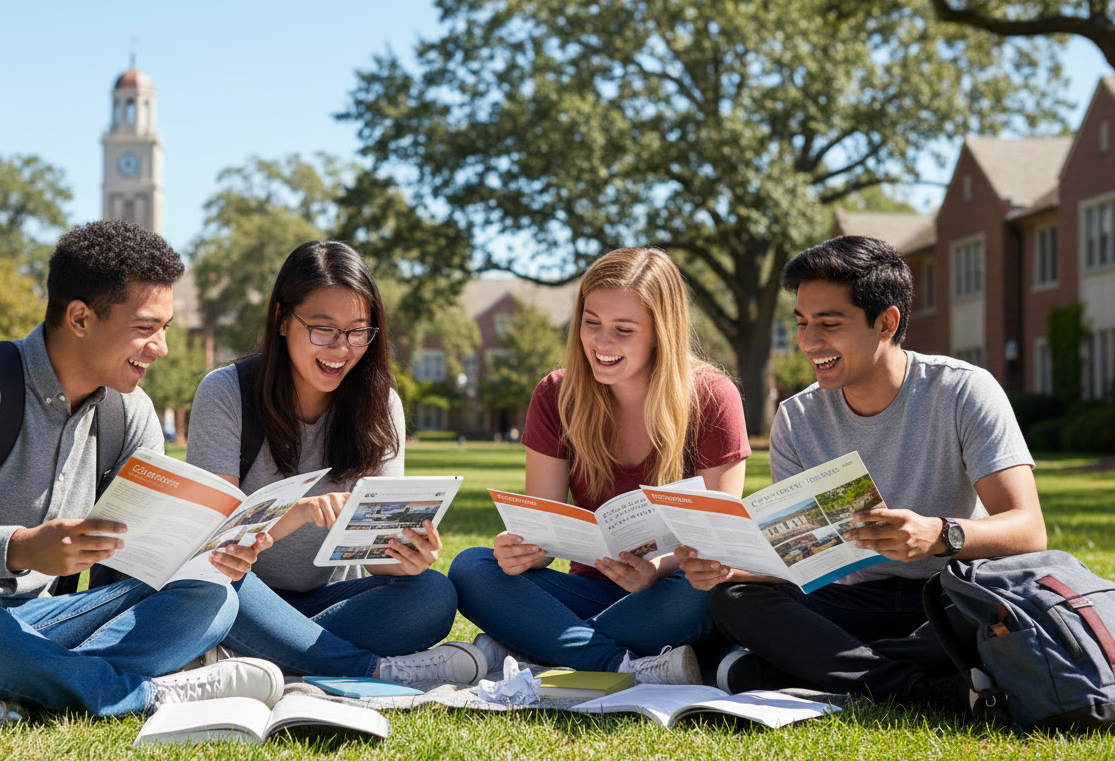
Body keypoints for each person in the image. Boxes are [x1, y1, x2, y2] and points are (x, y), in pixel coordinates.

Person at [0, 220, 283, 740]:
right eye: (144, 327)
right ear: (80, 318)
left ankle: (7, 695)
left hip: (36, 625)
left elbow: (143, 559)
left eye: (166, 328)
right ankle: (138, 692)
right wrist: (20, 549)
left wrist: (211, 552)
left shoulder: (130, 412)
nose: (159, 347)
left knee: (212, 596)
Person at [679, 235, 1046, 707]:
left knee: (997, 613)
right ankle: (928, 690)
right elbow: (800, 557)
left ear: (886, 323)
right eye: (802, 323)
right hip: (848, 602)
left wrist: (939, 535)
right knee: (735, 601)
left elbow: (1029, 528)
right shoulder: (796, 418)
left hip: (947, 597)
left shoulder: (963, 392)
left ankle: (820, 671)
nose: (810, 342)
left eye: (829, 324)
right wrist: (731, 567)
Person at [187, 241, 486, 686]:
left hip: (329, 602)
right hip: (241, 593)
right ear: (282, 320)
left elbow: (375, 562)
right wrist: (301, 513)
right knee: (207, 591)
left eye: (358, 331)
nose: (341, 349)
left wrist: (405, 557)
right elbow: (216, 547)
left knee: (432, 594)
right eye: (323, 329)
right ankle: (373, 671)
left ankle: (265, 655)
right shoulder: (226, 392)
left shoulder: (381, 406)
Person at [448, 246, 752, 683]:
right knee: (472, 569)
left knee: (708, 592)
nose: (601, 343)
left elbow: (718, 546)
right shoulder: (556, 395)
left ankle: (539, 645)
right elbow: (544, 531)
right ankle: (621, 665)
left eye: (623, 330)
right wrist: (524, 551)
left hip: (669, 593)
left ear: (660, 333)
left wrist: (656, 568)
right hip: (588, 592)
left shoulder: (712, 398)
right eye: (591, 323)